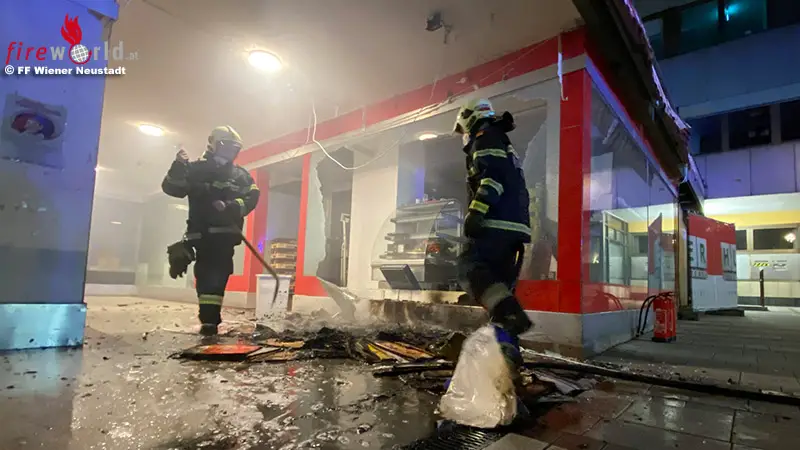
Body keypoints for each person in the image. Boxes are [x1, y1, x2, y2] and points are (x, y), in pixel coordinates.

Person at [453, 98, 533, 365]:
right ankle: (507, 356)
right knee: (499, 290)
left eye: (463, 129)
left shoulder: (485, 137)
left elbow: (492, 178)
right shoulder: (500, 140)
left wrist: (476, 212)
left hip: (496, 224)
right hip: (512, 228)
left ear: (469, 118)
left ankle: (511, 314)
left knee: (468, 268)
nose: (463, 136)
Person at [161, 125, 260, 337]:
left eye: (233, 148)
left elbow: (252, 197)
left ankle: (209, 320)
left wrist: (231, 207)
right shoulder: (195, 169)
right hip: (201, 233)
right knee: (208, 275)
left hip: (225, 235)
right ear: (213, 144)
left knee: (218, 276)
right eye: (225, 146)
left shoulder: (241, 176)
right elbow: (172, 188)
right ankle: (209, 321)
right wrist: (178, 166)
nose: (229, 151)